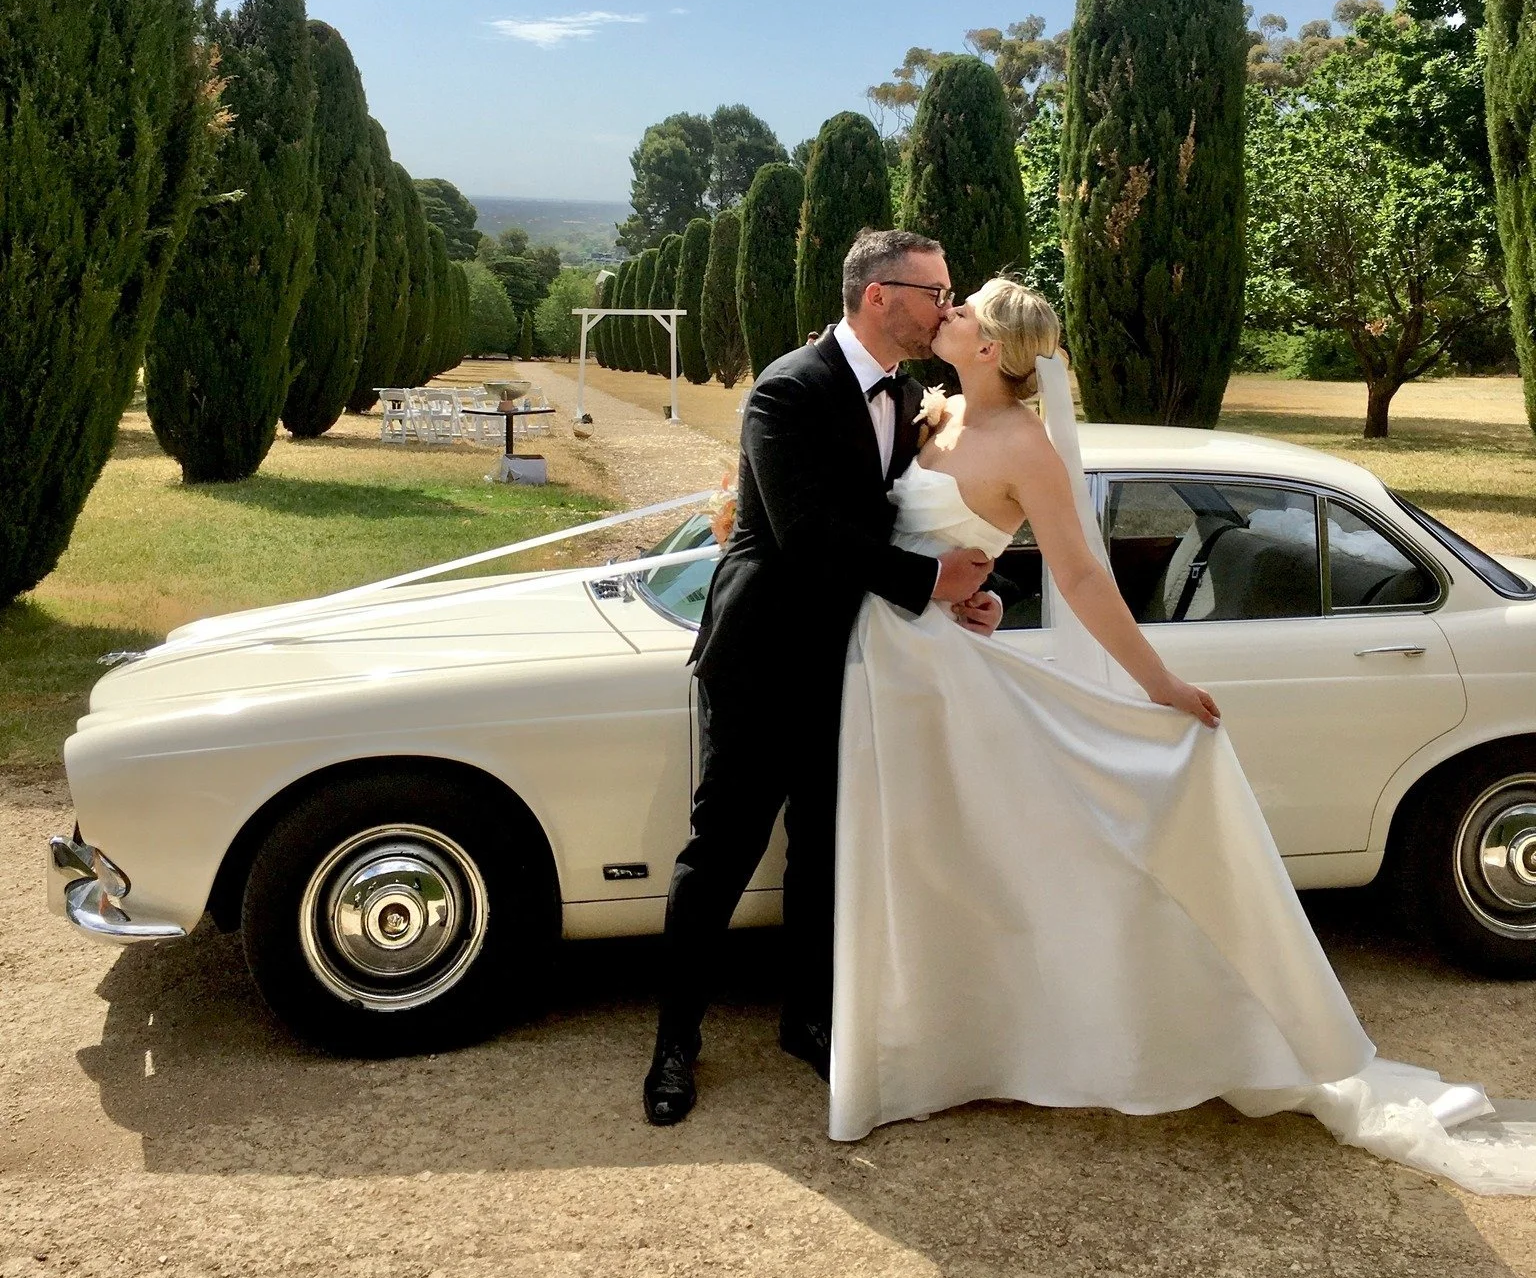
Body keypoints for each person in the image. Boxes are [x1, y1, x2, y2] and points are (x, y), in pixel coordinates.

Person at [830, 275, 1536, 1194]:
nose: (949, 309)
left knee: (965, 863)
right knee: (925, 864)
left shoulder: (1029, 449)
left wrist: (1159, 683)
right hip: (896, 659)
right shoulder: (931, 417)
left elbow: (1082, 576)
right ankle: (928, 1046)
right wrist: (979, 590)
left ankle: (971, 1051)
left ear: (995, 350)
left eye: (966, 308)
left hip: (937, 680)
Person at [643, 229, 996, 1126]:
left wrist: (974, 596)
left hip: (854, 662)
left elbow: (914, 521)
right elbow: (808, 537)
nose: (947, 309)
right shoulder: (786, 388)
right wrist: (928, 583)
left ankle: (807, 1021)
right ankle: (674, 1045)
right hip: (761, 655)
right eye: (935, 291)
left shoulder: (913, 395)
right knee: (719, 851)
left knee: (824, 851)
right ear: (878, 294)